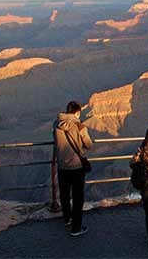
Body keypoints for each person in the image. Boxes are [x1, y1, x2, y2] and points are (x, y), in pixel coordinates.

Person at [53, 101, 92, 237]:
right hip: (76, 167)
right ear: (77, 112)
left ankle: (67, 219)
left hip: (62, 165)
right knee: (77, 197)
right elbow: (88, 144)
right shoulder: (79, 126)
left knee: (64, 194)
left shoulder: (56, 124)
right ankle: (76, 228)